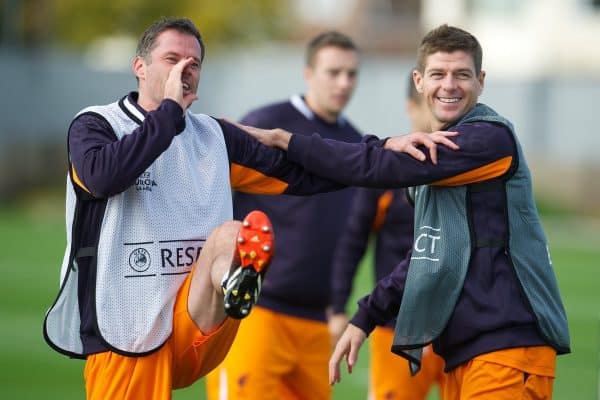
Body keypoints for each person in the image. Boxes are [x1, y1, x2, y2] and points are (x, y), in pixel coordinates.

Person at [41, 18, 402, 400]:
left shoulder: (214, 136)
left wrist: (388, 152)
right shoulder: (96, 125)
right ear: (140, 67)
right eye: (172, 59)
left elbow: (302, 173)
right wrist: (168, 114)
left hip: (193, 322)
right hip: (124, 328)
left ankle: (238, 287)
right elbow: (102, 178)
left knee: (234, 234)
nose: (184, 71)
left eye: (194, 64)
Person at [236, 24, 571, 400]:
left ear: (481, 81)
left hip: (507, 347)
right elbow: (427, 253)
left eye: (462, 74)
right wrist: (365, 318)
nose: (449, 85)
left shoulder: (488, 140)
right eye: (438, 74)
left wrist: (288, 141)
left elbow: (381, 168)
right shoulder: (439, 156)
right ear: (419, 81)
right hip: (464, 352)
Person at [205, 31, 363, 400]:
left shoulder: (355, 145)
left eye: (352, 74)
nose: (344, 83)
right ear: (309, 73)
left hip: (318, 323)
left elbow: (354, 235)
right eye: (334, 72)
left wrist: (340, 305)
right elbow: (213, 191)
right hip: (256, 312)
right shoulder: (267, 122)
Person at [329, 74, 445, 400]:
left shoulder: (465, 163)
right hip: (397, 326)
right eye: (429, 101)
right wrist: (338, 306)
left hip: (459, 328)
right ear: (411, 106)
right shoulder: (390, 169)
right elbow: (353, 241)